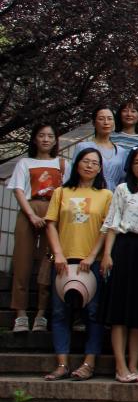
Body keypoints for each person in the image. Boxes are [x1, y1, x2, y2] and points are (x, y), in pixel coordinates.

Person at [43, 148, 112, 381]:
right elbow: (51, 224)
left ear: (100, 169)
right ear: (77, 164)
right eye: (85, 161)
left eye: (95, 163)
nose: (89, 166)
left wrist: (92, 256)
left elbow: (106, 228)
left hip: (91, 263)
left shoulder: (106, 195)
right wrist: (58, 254)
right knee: (60, 313)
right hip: (63, 261)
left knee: (93, 314)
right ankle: (62, 364)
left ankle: (88, 363)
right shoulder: (61, 192)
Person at [101, 146, 138, 383]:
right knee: (120, 310)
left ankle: (134, 365)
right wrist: (107, 254)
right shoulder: (122, 189)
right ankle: (120, 366)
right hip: (124, 248)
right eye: (137, 162)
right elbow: (112, 223)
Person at [9, 124, 63, 333]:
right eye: (42, 135)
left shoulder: (62, 164)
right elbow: (18, 191)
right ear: (34, 139)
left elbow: (66, 191)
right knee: (22, 261)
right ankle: (20, 313)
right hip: (28, 210)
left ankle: (41, 313)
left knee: (47, 262)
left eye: (50, 136)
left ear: (55, 140)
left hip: (53, 212)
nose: (46, 139)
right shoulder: (25, 162)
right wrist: (31, 214)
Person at [69, 107, 127, 190]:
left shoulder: (121, 152)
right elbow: (73, 174)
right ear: (94, 123)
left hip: (113, 194)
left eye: (110, 119)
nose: (106, 122)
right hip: (88, 192)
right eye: (101, 119)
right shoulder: (83, 147)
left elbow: (123, 179)